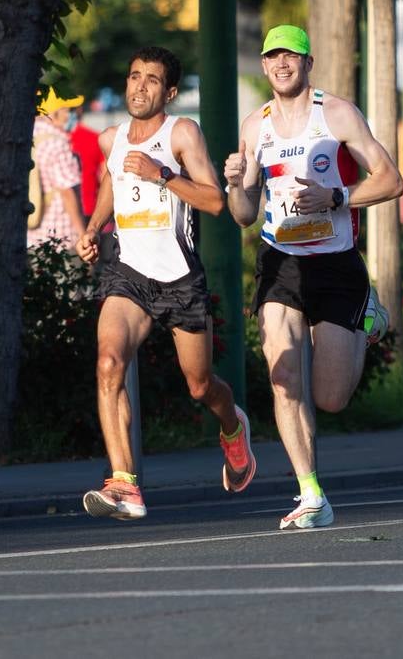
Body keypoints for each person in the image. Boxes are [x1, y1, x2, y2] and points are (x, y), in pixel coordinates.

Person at [223, 24, 403, 530]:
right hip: (280, 260)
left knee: (330, 398)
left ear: (308, 63)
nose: (282, 64)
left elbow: (391, 180)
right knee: (283, 379)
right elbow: (242, 215)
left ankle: (366, 320)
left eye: (292, 56)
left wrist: (337, 197)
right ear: (263, 66)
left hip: (335, 264)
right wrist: (236, 184)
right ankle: (311, 494)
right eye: (272, 57)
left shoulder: (337, 114)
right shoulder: (254, 126)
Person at [74, 47, 254, 520]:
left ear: (169, 92)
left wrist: (163, 174)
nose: (139, 86)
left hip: (179, 278)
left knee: (199, 388)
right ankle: (124, 484)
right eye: (134, 76)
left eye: (152, 80)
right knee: (109, 362)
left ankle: (233, 429)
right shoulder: (111, 138)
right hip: (129, 274)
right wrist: (93, 229)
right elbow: (114, 183)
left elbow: (215, 202)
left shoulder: (182, 133)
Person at [29, 88, 86, 249]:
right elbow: (67, 192)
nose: (72, 115)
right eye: (68, 110)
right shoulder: (56, 143)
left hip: (32, 235)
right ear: (54, 114)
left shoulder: (30, 137)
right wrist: (82, 234)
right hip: (59, 238)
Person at [69, 100, 105, 227]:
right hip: (91, 210)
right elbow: (106, 176)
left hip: (64, 210)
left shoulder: (51, 139)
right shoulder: (95, 138)